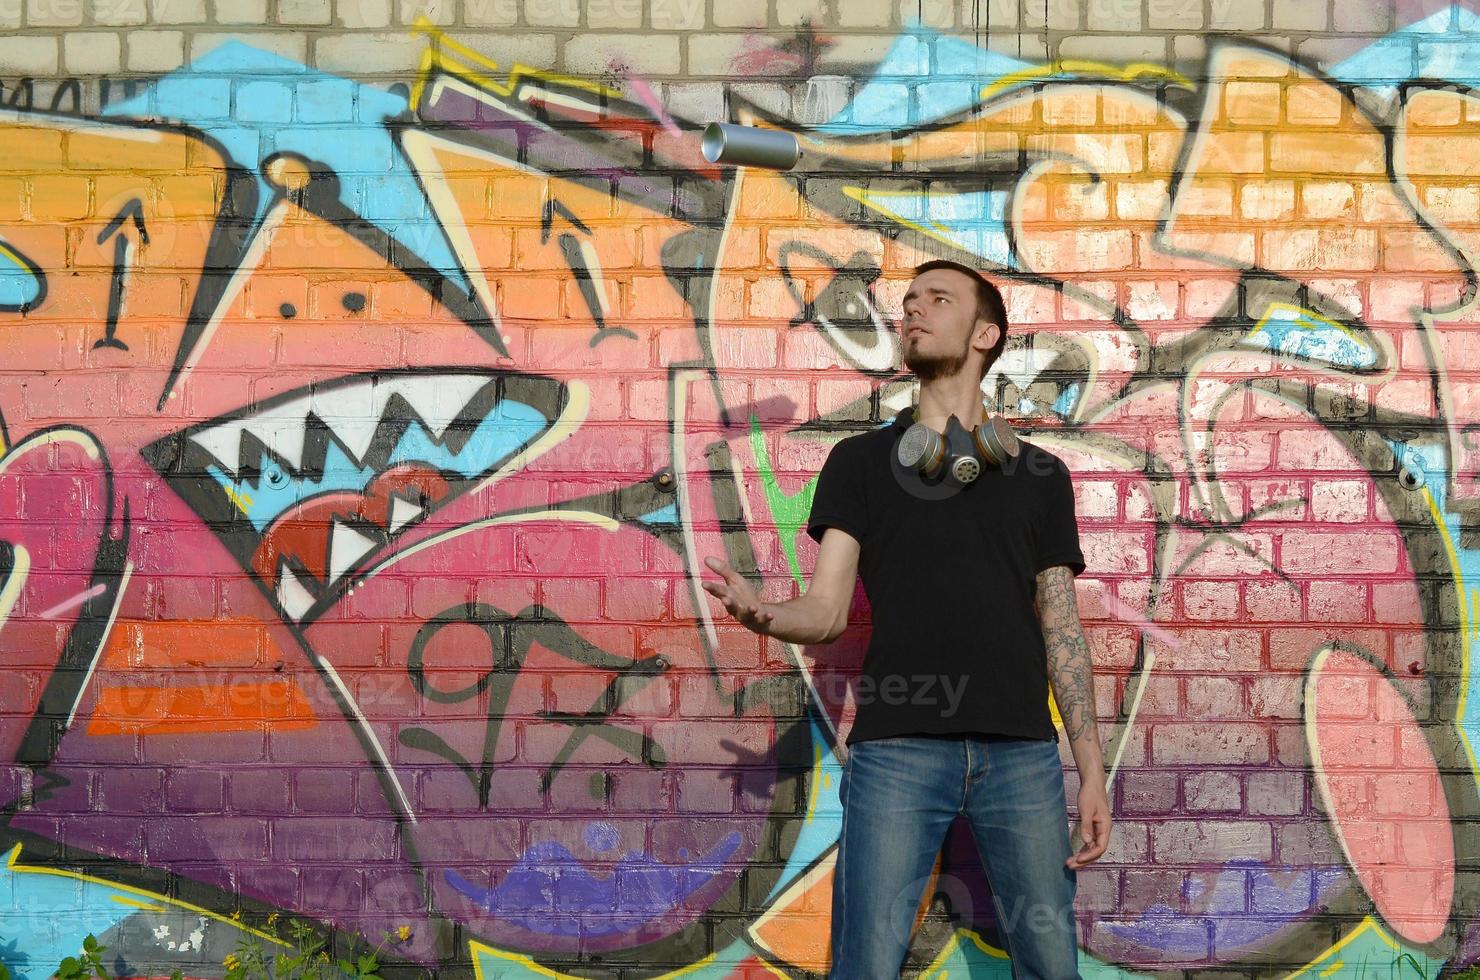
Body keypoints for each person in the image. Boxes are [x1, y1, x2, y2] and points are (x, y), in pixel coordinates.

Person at [702, 259, 1111, 979]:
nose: (913, 311)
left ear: (986, 333)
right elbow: (826, 613)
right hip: (897, 755)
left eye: (938, 299)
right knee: (864, 967)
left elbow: (1062, 628)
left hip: (1022, 757)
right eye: (909, 301)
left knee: (1052, 965)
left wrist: (1091, 771)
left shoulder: (1042, 476)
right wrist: (763, 613)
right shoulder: (859, 463)